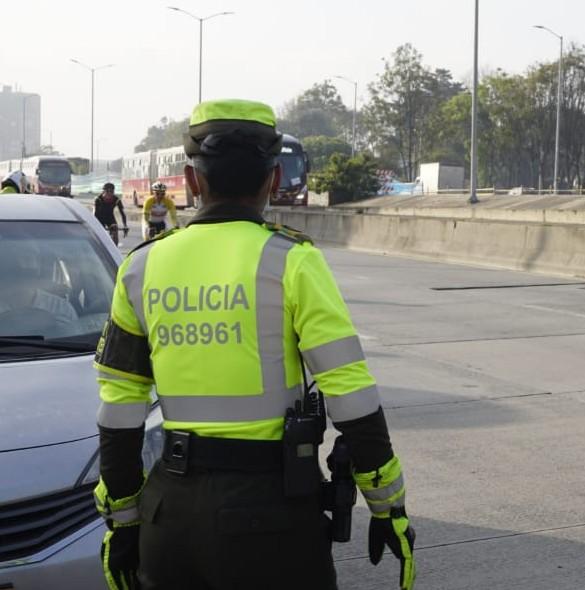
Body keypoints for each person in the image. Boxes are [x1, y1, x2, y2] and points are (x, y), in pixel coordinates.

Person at [93, 99, 415, 590]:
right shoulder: (293, 260)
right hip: (274, 519)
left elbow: (119, 407)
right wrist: (387, 504)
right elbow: (349, 392)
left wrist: (122, 520)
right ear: (272, 180)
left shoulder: (140, 267)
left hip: (170, 516)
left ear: (192, 180)